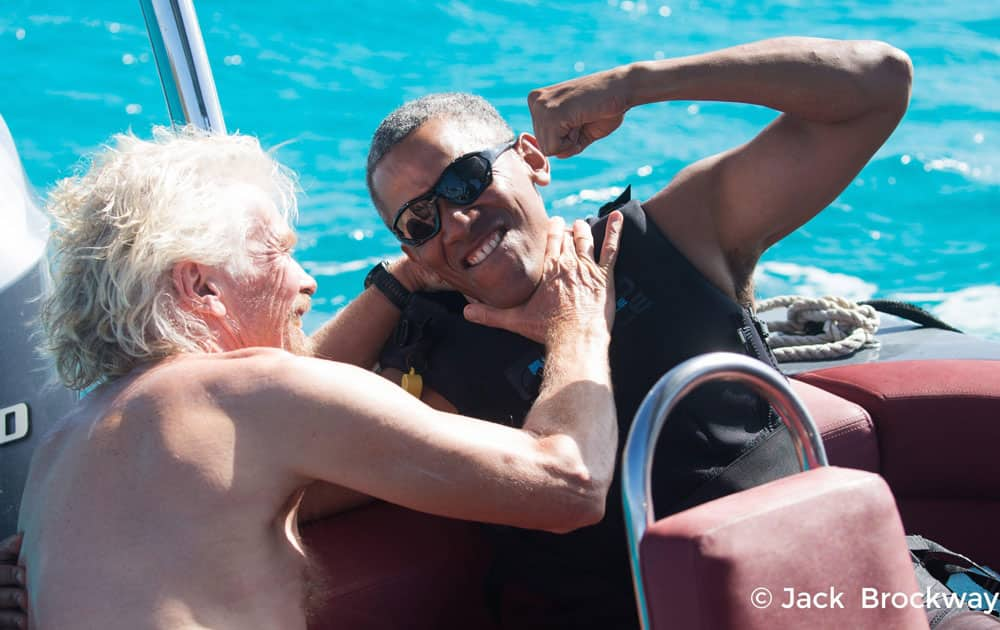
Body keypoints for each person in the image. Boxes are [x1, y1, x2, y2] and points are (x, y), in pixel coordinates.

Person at [363, 37, 913, 628]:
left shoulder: (674, 239)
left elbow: (879, 84)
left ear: (532, 160)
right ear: (412, 250)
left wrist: (637, 84)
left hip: (838, 591)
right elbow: (293, 429)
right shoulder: (434, 373)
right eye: (421, 220)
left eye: (466, 179)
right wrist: (392, 286)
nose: (458, 221)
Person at [11, 126, 624, 629]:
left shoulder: (57, 456)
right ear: (201, 287)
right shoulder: (250, 395)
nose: (307, 281)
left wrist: (404, 279)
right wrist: (579, 321)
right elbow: (568, 482)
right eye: (278, 253)